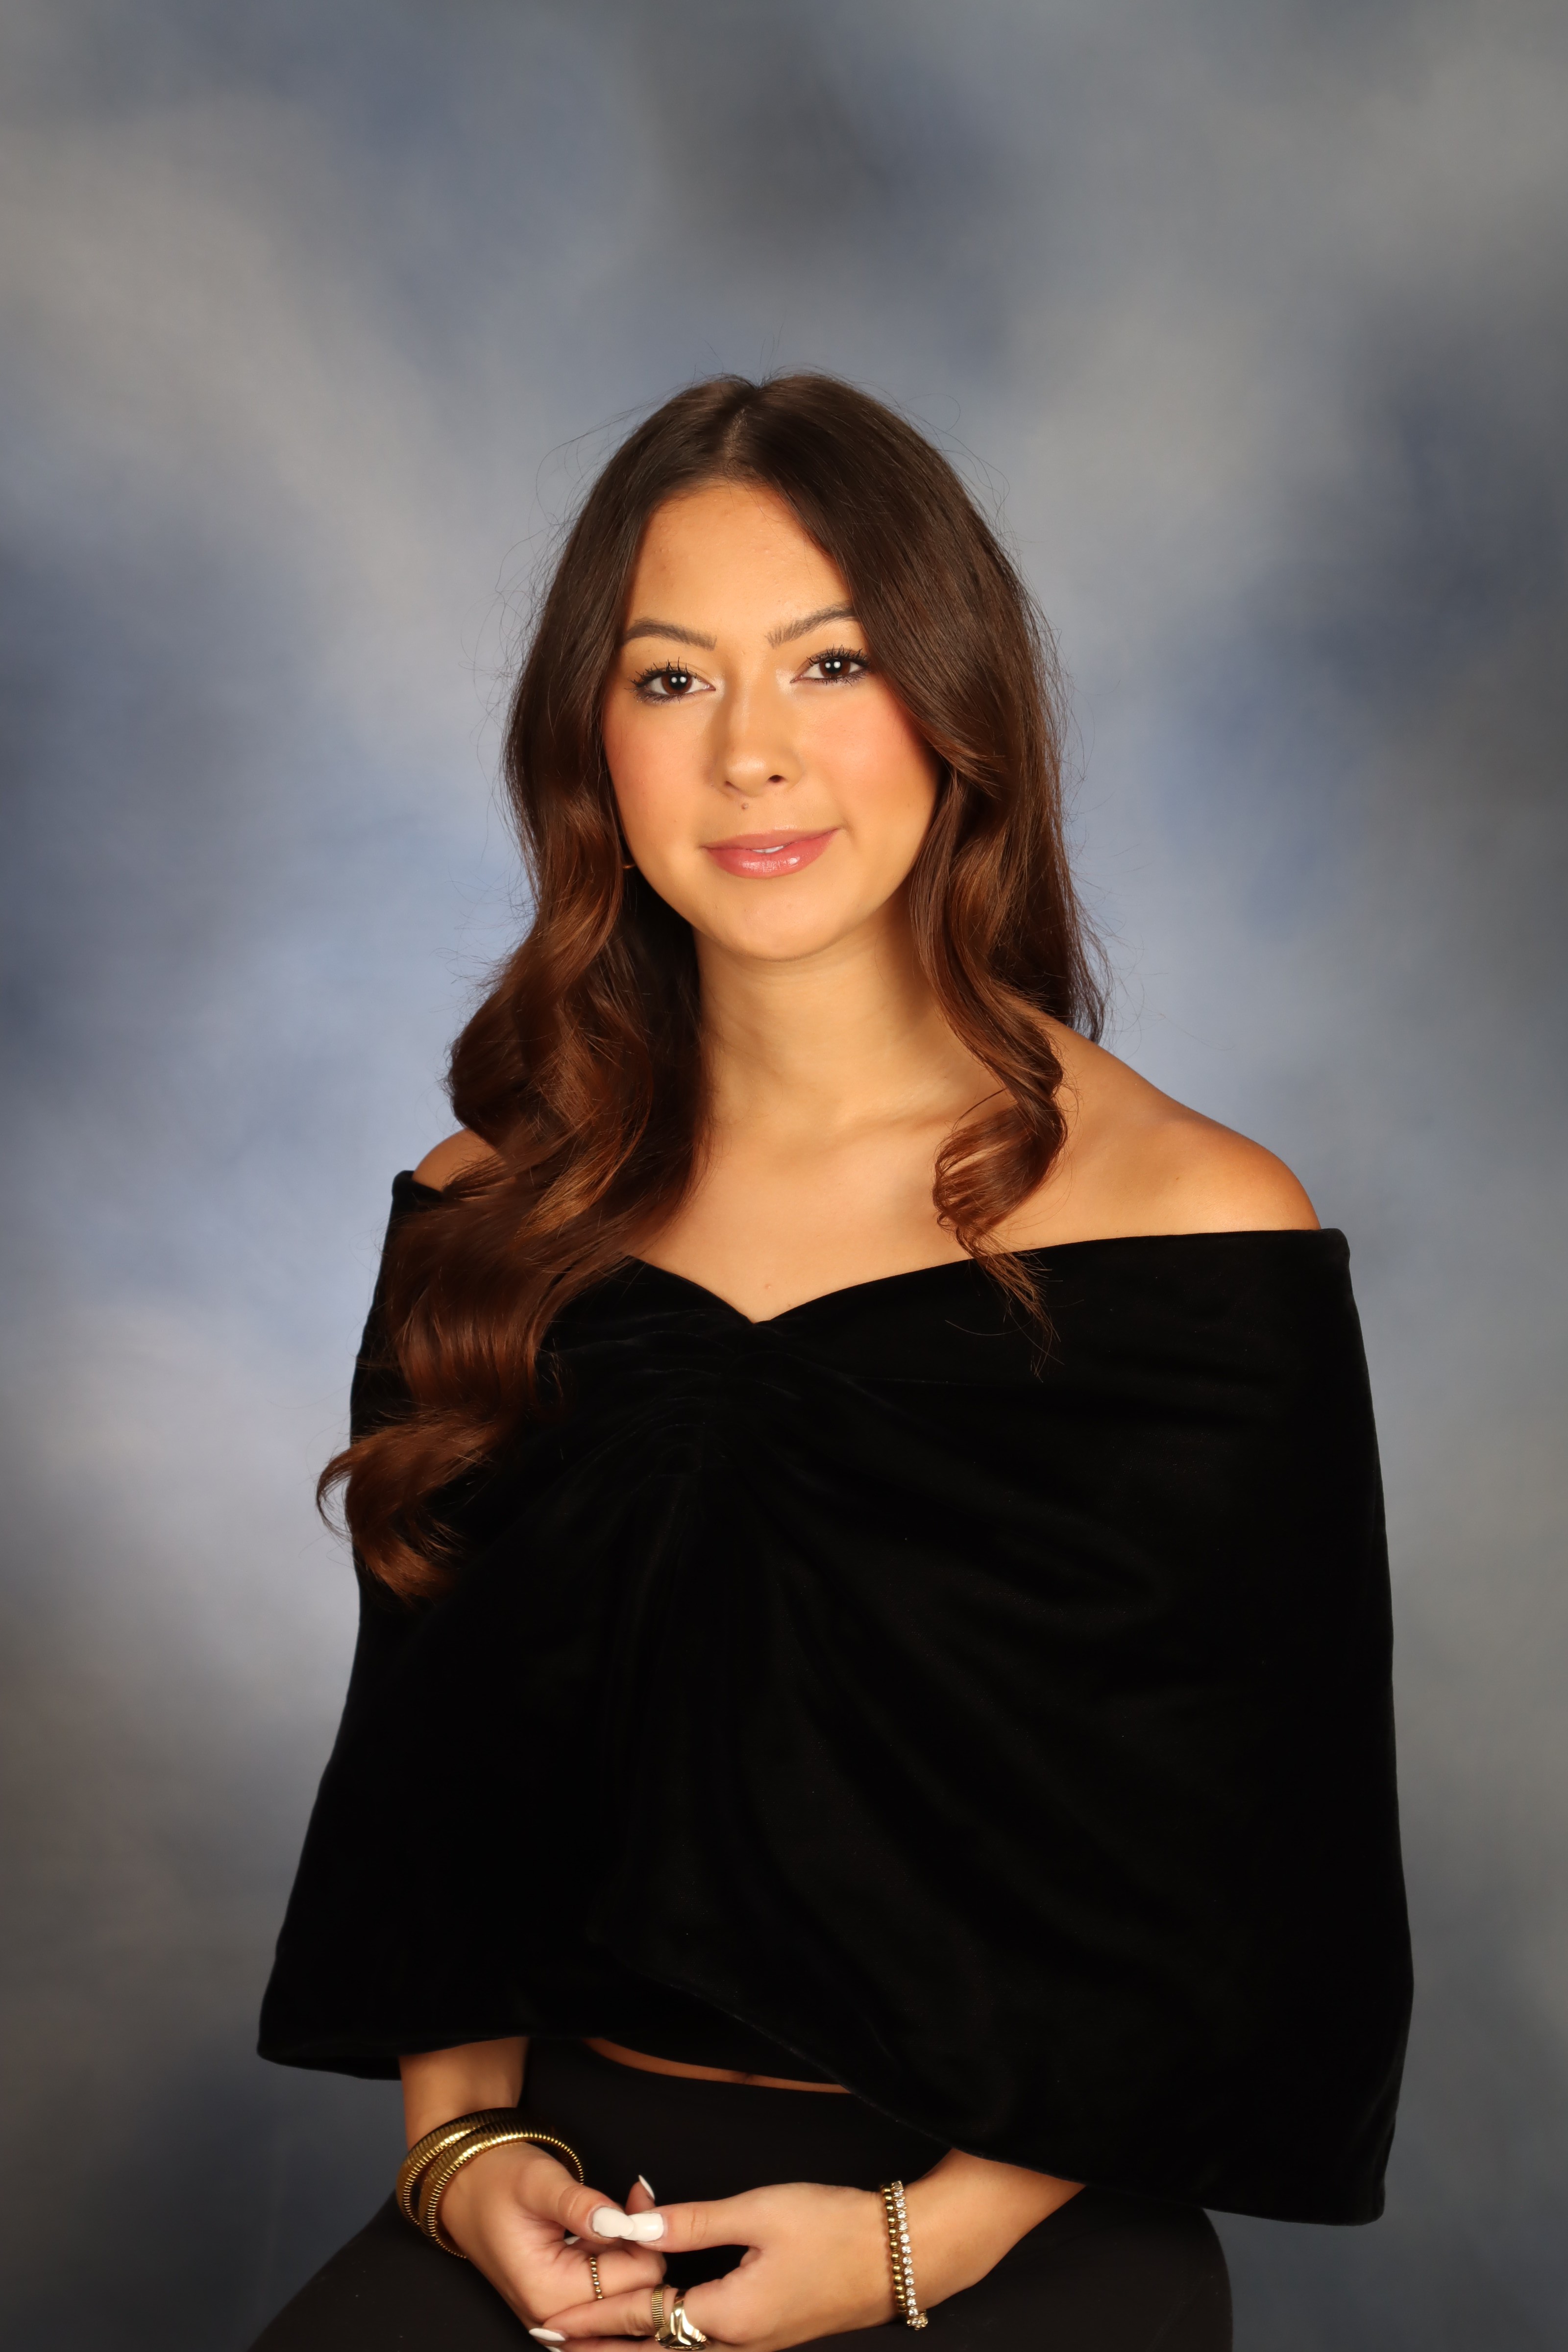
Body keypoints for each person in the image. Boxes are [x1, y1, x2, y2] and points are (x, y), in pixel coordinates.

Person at [252, 374, 1411, 2352]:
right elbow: (431, 1785)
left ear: (955, 710)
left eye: (831, 662)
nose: (752, 755)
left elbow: (1262, 1885)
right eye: (672, 680)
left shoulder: (1194, 1223)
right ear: (590, 745)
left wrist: (912, 2246)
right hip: (563, 2186)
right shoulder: (488, 1206)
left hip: (1016, 2213)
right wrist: (462, 2156)